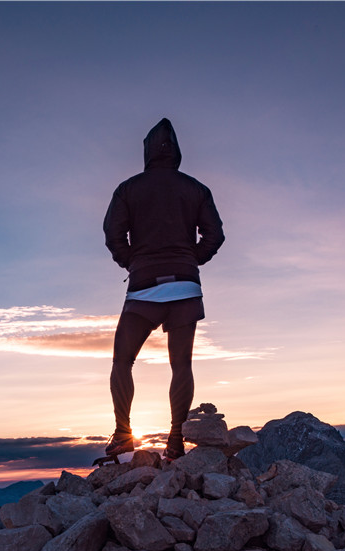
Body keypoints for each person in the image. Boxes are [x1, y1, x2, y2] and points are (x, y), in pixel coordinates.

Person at [102, 118, 225, 460]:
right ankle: (175, 440)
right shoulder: (197, 189)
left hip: (143, 287)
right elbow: (215, 236)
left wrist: (133, 262)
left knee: (122, 361)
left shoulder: (127, 189)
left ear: (146, 151)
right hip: (185, 285)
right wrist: (190, 260)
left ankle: (123, 434)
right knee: (181, 364)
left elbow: (113, 235)